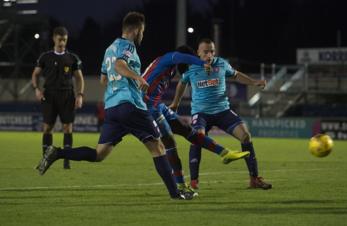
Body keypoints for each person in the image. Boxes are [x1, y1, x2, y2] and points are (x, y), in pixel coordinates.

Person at [36, 12, 191, 200]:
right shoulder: (128, 46)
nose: (142, 35)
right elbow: (119, 65)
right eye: (142, 31)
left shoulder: (110, 48)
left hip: (112, 107)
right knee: (157, 147)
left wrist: (119, 81)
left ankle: (58, 152)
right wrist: (137, 77)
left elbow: (103, 78)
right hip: (131, 104)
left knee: (99, 154)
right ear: (135, 30)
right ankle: (176, 194)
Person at [142, 45, 250, 193]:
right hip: (145, 106)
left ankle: (225, 153)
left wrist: (173, 104)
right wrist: (202, 63)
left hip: (157, 105)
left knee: (187, 129)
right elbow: (182, 57)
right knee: (169, 142)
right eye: (189, 62)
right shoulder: (170, 57)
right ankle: (179, 185)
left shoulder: (172, 69)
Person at [170, 38, 272, 191]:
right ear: (198, 53)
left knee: (245, 136)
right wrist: (175, 103)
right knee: (197, 137)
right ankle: (194, 182)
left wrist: (254, 82)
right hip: (201, 113)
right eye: (205, 51)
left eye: (212, 51)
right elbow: (182, 83)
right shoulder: (191, 67)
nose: (209, 54)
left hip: (222, 110)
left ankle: (254, 179)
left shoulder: (222, 64)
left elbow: (236, 75)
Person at [31, 26, 85, 170]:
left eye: (65, 40)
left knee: (67, 128)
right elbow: (35, 74)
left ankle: (67, 160)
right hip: (49, 95)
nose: (62, 42)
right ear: (54, 38)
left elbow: (79, 78)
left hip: (67, 95)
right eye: (60, 39)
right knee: (48, 128)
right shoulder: (45, 57)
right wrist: (36, 89)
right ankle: (45, 160)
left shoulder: (72, 58)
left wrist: (80, 95)